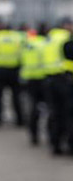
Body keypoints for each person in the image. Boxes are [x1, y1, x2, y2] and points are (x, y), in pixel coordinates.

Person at [43, 19, 73, 155]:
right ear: (66, 26)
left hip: (49, 79)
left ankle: (55, 144)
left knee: (54, 113)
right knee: (69, 114)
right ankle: (70, 145)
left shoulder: (48, 38)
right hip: (66, 80)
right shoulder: (66, 38)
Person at [0, 21, 24, 127]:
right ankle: (20, 120)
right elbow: (23, 54)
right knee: (16, 97)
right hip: (14, 71)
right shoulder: (19, 37)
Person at [19, 23, 48, 145]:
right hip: (43, 78)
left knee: (33, 108)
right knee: (50, 109)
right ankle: (51, 136)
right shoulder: (46, 44)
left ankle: (34, 135)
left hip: (29, 79)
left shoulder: (28, 44)